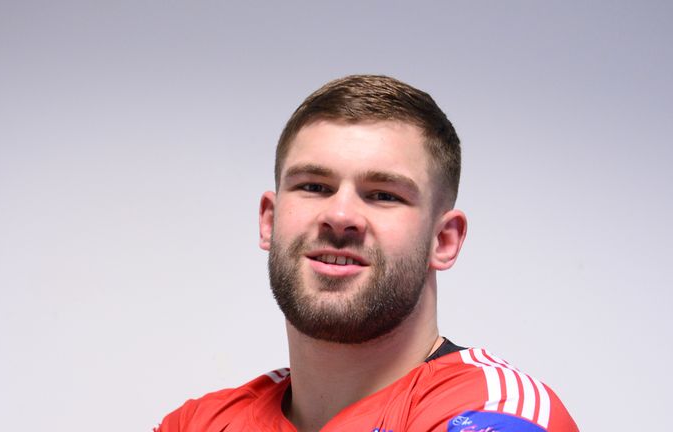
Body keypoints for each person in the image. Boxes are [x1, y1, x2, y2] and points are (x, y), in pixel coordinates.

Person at [155, 75, 579, 432]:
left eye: (382, 194)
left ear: (444, 240)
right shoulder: (199, 423)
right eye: (313, 186)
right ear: (269, 219)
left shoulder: (492, 412)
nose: (340, 216)